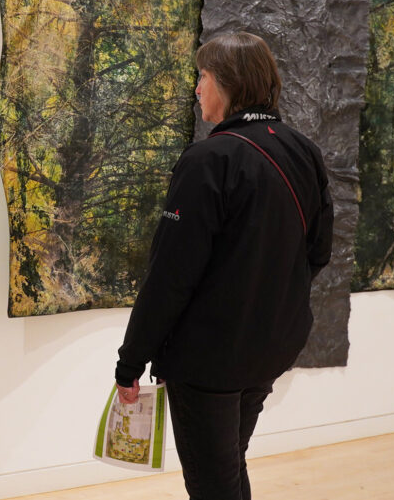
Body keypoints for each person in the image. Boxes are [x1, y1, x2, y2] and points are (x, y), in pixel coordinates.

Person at [114, 33, 334, 500]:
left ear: (228, 83)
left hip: (208, 359)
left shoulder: (209, 159)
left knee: (214, 484)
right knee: (229, 467)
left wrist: (130, 360)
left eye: (203, 76)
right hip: (270, 349)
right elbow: (317, 253)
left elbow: (170, 275)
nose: (197, 88)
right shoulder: (303, 151)